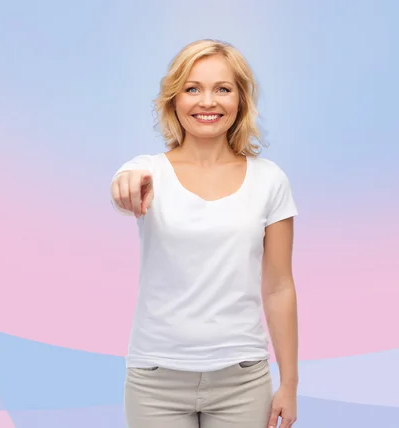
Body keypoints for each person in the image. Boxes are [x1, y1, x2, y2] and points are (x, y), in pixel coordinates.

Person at [110, 39, 299, 428]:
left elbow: (279, 285)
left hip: (242, 380)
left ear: (241, 101)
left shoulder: (270, 180)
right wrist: (125, 185)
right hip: (155, 380)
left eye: (223, 89)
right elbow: (124, 187)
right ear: (173, 100)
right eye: (192, 88)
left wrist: (290, 383)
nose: (207, 101)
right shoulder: (147, 172)